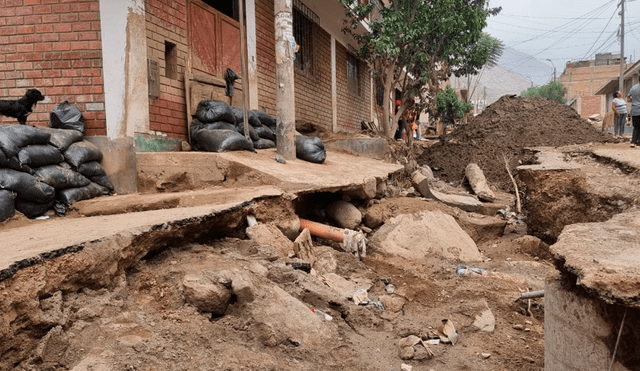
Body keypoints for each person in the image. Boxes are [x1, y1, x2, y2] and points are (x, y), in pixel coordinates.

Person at [627, 75, 640, 147]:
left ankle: (633, 142)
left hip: (635, 110)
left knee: (636, 127)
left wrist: (635, 100)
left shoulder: (633, 87)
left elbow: (628, 99)